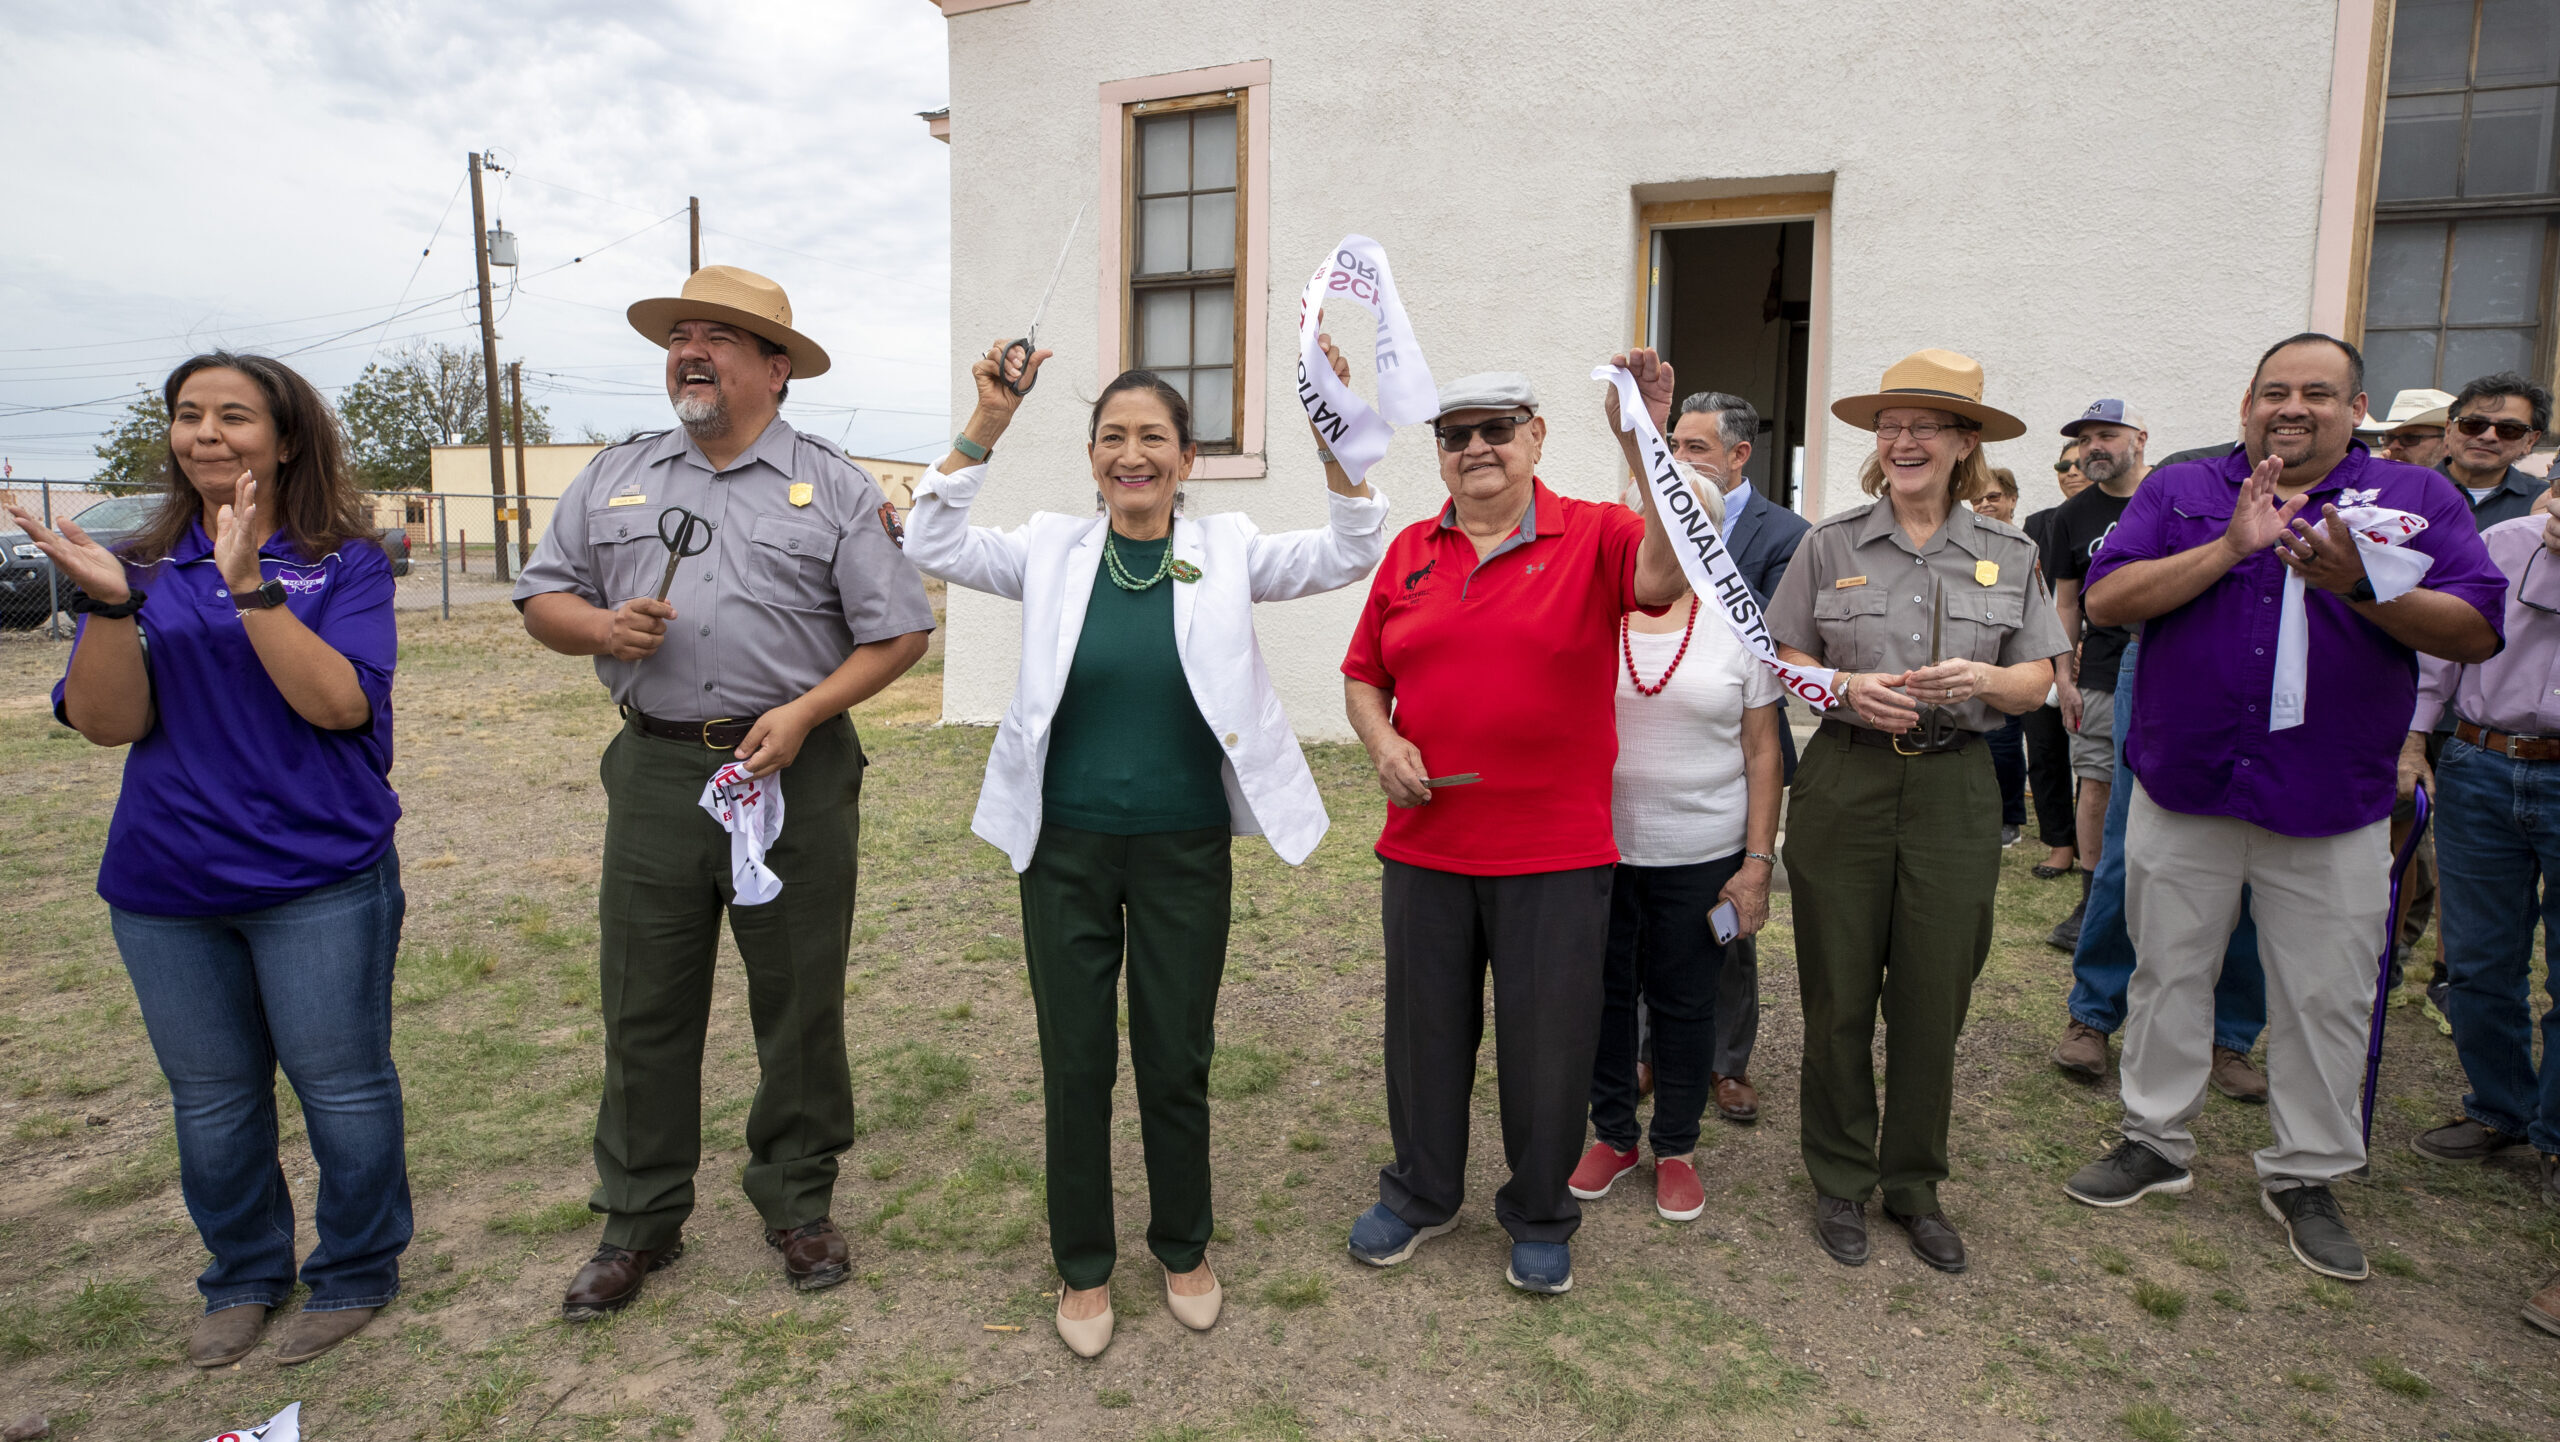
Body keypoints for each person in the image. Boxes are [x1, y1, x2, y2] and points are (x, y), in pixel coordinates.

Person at [903, 339, 1387, 1356]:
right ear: (1090, 458)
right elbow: (931, 541)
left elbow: (1349, 549)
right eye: (1114, 437)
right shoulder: (1048, 548)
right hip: (1063, 849)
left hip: (1181, 850)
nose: (1134, 454)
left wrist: (1331, 433)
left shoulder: (1229, 548)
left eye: (1153, 437)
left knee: (1175, 1055)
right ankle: (1082, 1262)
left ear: (1187, 458)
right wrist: (986, 419)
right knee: (1074, 1060)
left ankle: (1181, 1244)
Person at [516, 266, 935, 1319]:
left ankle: (796, 1200)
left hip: (792, 768)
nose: (690, 352)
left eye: (718, 338)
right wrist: (601, 628)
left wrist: (803, 713)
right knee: (643, 998)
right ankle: (638, 1217)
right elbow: (541, 595)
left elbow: (898, 633)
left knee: (797, 996)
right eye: (680, 335)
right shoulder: (614, 474)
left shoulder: (832, 485)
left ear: (773, 367)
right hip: (659, 767)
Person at [2062, 333, 2503, 1284]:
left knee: (2325, 994)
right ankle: (2153, 1139)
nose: (2290, 407)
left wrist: (2359, 583)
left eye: (2315, 393)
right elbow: (2108, 599)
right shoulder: (2182, 490)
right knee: (2168, 969)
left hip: (2331, 797)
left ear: (2356, 408)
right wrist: (2227, 549)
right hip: (2190, 785)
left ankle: (2306, 1172)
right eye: (2272, 392)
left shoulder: (2419, 499)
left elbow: (2475, 627)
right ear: (2246, 406)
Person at [5, 353, 407, 1368]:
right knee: (214, 1097)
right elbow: (108, 722)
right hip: (167, 884)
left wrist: (249, 589)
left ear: (284, 436)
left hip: (317, 875)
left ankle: (354, 1268)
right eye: (189, 415)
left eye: (234, 414)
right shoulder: (137, 560)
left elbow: (339, 704)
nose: (208, 433)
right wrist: (107, 607)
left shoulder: (343, 559)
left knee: (342, 1086)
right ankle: (242, 1274)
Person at [1341, 354, 1690, 1296]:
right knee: (1423, 1037)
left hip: (1553, 853)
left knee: (1548, 1043)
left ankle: (1540, 1211)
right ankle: (1420, 1193)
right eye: (1457, 436)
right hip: (1425, 846)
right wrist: (1380, 744)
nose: (1477, 448)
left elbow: (1666, 574)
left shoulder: (1598, 533)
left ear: (1537, 438)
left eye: (1498, 429)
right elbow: (1364, 672)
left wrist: (1645, 445)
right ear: (1441, 456)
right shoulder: (1411, 548)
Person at [1766, 349, 2066, 1274]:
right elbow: (1780, 658)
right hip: (1846, 782)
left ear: (1964, 442)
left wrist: (1986, 677)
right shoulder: (1830, 545)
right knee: (1839, 987)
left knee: (1936, 995)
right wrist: (1845, 687)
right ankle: (1840, 1175)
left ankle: (1914, 1183)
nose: (1903, 441)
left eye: (1924, 425)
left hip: (1955, 788)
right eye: (1890, 426)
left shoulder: (2010, 553)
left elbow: (2041, 679)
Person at [1569, 471, 1784, 1218]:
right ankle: (1614, 1135)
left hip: (1702, 853)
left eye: (1688, 516)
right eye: (1652, 513)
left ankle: (1678, 1146)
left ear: (1713, 531)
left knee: (1687, 1004)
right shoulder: (1597, 613)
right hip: (1598, 849)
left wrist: (1756, 863)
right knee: (1602, 1000)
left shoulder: (1739, 625)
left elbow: (1763, 752)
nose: (1669, 528)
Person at [2401, 490, 2560, 1193]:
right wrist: (2411, 742)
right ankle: (2501, 1107)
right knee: (2477, 961)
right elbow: (2440, 658)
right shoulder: (2504, 542)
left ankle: (2555, 1135)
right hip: (2482, 764)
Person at [1667, 389, 1807, 1123]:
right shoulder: (1651, 517)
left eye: (1695, 449)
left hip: (1743, 737)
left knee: (1726, 913)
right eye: (1674, 447)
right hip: (1662, 735)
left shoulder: (1788, 535)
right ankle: (1648, 1052)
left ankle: (1727, 1062)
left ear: (1739, 455)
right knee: (1645, 914)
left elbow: (1778, 640)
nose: (1680, 461)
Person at [2402, 375, 2559, 1001]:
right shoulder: (2407, 495)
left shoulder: (2531, 509)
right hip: (2427, 705)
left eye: (2509, 429)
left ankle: (2443, 980)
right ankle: (2389, 959)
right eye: (2474, 424)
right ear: (2452, 428)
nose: (2488, 436)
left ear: (2531, 444)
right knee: (2411, 854)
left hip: (2495, 724)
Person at [2046, 402, 2148, 951]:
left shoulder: (2170, 498)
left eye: (2107, 435)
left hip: (2171, 667)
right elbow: (2067, 603)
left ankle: (2146, 897)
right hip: (2100, 674)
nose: (2094, 448)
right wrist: (2063, 675)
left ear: (2141, 438)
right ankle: (2092, 899)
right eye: (2086, 440)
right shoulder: (2073, 515)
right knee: (2096, 783)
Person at [2020, 446, 2083, 878]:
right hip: (2042, 652)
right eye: (2063, 464)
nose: (2071, 471)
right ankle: (2060, 843)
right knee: (2045, 752)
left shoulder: (2129, 515)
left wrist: (2083, 645)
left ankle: (2095, 846)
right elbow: (2030, 594)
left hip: (2098, 655)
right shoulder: (2037, 524)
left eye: (2080, 463)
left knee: (2097, 763)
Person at [1978, 468, 2030, 846]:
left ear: (2012, 499)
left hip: (2013, 663)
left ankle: (2009, 817)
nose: (1984, 504)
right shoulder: (1969, 544)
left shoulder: (2023, 547)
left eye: (1993, 496)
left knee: (2006, 744)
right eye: (1977, 498)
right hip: (1975, 660)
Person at [2355, 387, 2455, 471]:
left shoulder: (2455, 492)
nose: (2394, 446)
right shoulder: (2371, 482)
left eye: (2410, 438)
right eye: (2388, 438)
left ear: (2446, 445)